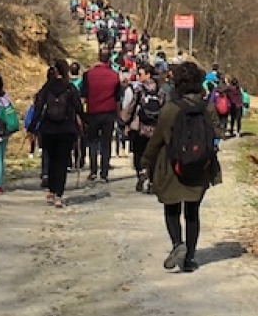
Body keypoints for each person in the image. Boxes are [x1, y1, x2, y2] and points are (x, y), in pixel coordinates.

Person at [141, 62, 223, 273]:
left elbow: (156, 141)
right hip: (201, 167)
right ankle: (190, 259)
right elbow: (217, 134)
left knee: (172, 208)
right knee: (193, 212)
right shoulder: (208, 108)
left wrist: (145, 163)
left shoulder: (170, 109)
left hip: (172, 167)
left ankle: (178, 244)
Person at [29, 59, 85, 208]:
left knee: (52, 160)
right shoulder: (70, 88)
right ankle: (59, 195)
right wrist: (84, 124)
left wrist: (32, 128)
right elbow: (79, 108)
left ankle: (51, 191)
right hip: (66, 129)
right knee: (62, 162)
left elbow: (38, 107)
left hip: (48, 129)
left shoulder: (47, 87)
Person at [80, 47, 121, 183]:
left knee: (92, 142)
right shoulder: (114, 76)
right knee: (106, 143)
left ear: (98, 57)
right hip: (109, 113)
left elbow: (83, 96)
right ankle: (104, 173)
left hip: (92, 112)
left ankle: (93, 171)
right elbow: (117, 98)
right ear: (109, 59)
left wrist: (82, 114)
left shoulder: (88, 75)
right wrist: (119, 115)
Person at [122, 63, 164, 193]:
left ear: (148, 74)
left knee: (139, 153)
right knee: (153, 155)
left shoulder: (139, 90)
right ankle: (151, 181)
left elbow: (132, 107)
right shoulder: (160, 91)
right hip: (155, 129)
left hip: (140, 128)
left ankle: (141, 172)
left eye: (140, 74)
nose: (138, 77)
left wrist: (127, 123)